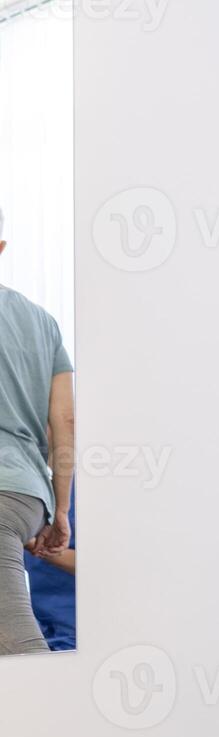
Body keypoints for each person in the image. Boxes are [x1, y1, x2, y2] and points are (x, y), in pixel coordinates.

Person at [0, 206, 76, 656]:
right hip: (28, 495)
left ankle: (64, 725)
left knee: (18, 647)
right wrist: (61, 510)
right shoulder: (43, 322)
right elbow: (64, 423)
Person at [24, 479, 76, 651]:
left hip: (72, 632)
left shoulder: (85, 492)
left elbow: (105, 566)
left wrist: (30, 542)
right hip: (31, 628)